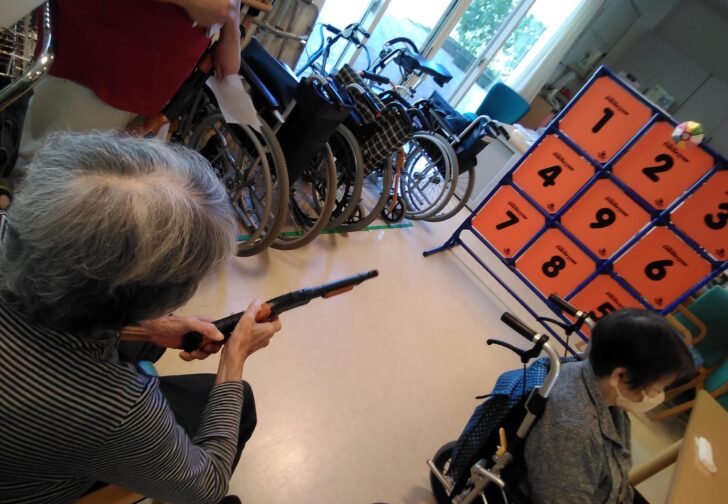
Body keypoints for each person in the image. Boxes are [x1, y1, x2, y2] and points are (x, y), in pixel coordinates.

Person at [0, 131, 281, 504]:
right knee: (239, 401)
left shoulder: (8, 227)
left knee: (150, 346)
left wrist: (151, 329)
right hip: (27, 486)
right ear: (156, 300)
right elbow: (205, 487)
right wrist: (234, 359)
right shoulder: (115, 409)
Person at [17, 0, 242, 163]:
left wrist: (231, 24)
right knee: (53, 184)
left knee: (105, 195)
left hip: (162, 76)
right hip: (102, 60)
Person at [521, 309, 694, 504]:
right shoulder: (573, 431)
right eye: (657, 389)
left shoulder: (599, 387)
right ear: (620, 376)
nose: (659, 396)